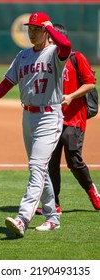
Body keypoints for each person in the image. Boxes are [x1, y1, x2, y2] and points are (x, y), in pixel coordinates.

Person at [0, 13, 71, 237]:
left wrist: (50, 28)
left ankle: (22, 218)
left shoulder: (55, 53)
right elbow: (7, 82)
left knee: (36, 167)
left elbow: (66, 44)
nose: (32, 32)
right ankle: (53, 218)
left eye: (37, 28)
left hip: (49, 116)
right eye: (30, 28)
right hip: (28, 117)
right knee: (41, 168)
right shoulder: (23, 56)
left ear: (46, 31)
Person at [36, 24, 100, 216]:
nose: (47, 41)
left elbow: (90, 83)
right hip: (52, 119)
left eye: (50, 38)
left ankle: (93, 193)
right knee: (51, 162)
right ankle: (54, 203)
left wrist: (71, 96)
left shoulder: (75, 58)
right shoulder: (46, 60)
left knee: (74, 161)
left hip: (73, 119)